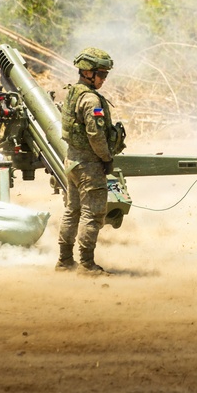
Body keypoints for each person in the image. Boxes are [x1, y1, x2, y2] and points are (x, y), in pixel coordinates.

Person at [57, 47, 126, 273]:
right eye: (102, 74)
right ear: (88, 73)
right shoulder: (90, 100)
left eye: (106, 74)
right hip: (89, 165)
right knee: (93, 214)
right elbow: (95, 134)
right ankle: (86, 264)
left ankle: (65, 261)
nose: (104, 79)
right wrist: (106, 158)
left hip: (73, 162)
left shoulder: (74, 92)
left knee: (72, 211)